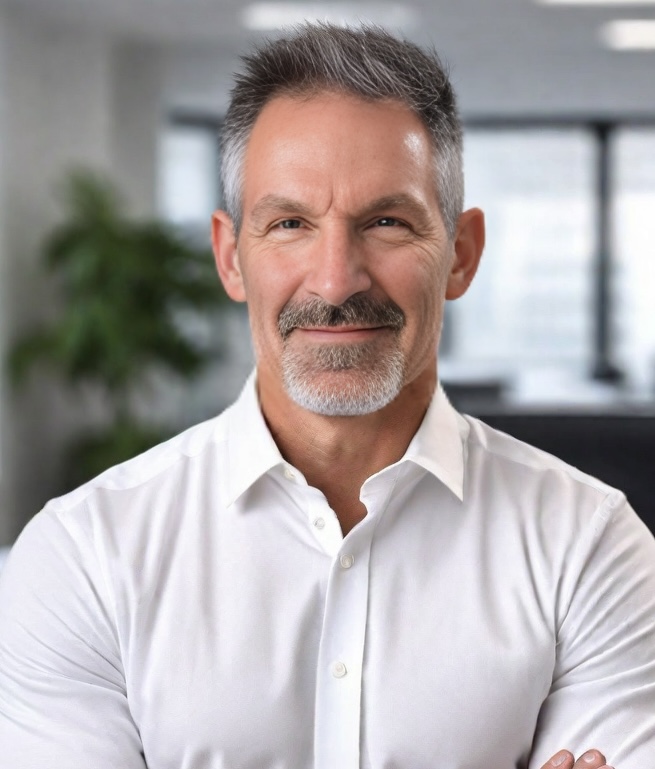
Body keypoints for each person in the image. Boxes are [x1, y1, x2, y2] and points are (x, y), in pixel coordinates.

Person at [0, 23, 653, 769]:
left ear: (461, 256)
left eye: (385, 221)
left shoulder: (591, 547)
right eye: (289, 224)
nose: (336, 278)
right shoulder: (85, 556)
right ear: (229, 256)